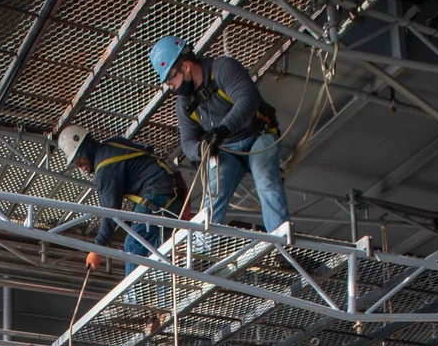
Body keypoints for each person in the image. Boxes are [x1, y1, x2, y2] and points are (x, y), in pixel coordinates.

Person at [148, 36, 290, 235]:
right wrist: (202, 149)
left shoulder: (223, 68)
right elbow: (188, 142)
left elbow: (247, 100)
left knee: (266, 179)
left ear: (185, 66)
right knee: (214, 196)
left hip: (258, 134)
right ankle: (203, 252)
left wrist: (222, 130)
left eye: (171, 79)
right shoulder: (184, 104)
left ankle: (281, 240)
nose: (171, 87)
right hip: (226, 149)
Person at [56, 125, 185, 271]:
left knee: (133, 245)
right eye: (76, 164)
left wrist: (97, 249)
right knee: (157, 250)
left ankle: (134, 294)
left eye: (78, 161)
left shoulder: (104, 169)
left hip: (157, 195)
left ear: (85, 149)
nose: (81, 167)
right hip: (172, 194)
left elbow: (111, 214)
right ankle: (162, 291)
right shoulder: (113, 145)